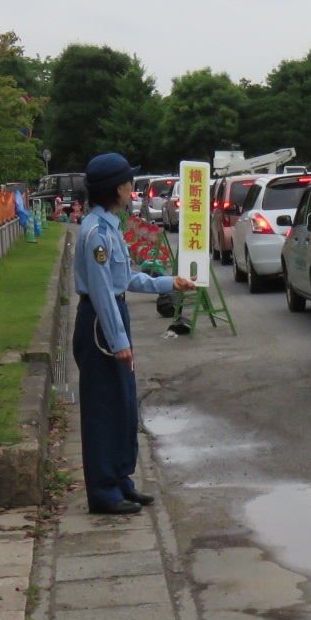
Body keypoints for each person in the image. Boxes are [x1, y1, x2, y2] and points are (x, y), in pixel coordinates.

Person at [73, 153, 195, 513]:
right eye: (128, 182)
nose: (132, 188)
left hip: (112, 314)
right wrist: (119, 340)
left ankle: (121, 479)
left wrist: (167, 282)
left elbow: (123, 280)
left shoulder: (109, 224)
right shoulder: (95, 233)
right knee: (103, 406)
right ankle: (103, 490)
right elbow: (100, 292)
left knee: (123, 402)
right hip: (100, 321)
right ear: (117, 188)